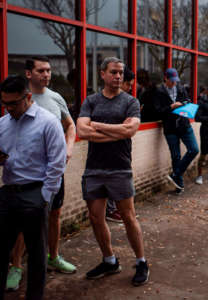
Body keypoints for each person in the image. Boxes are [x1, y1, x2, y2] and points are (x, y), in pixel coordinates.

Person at [6, 56, 77, 293]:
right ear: (29, 74)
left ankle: (53, 256)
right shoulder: (9, 112)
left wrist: (68, 149)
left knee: (52, 216)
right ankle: (16, 266)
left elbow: (70, 126)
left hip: (46, 178)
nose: (46, 74)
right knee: (18, 230)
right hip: (17, 185)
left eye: (48, 70)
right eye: (41, 70)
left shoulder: (54, 101)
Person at [76, 57, 149, 286]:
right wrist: (115, 130)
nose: (118, 76)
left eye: (120, 73)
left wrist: (97, 125)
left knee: (128, 217)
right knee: (96, 218)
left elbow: (130, 131)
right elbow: (81, 130)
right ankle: (109, 261)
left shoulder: (131, 102)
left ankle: (141, 261)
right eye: (114, 72)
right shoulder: (91, 100)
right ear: (102, 74)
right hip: (94, 169)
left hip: (120, 168)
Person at [153, 68, 199, 194]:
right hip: (170, 128)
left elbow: (188, 101)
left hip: (184, 124)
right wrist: (171, 107)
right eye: (172, 81)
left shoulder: (180, 88)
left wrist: (183, 104)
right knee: (176, 156)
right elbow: (157, 111)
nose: (174, 83)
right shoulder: (159, 91)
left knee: (194, 149)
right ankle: (179, 185)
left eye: (176, 81)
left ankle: (175, 174)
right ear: (165, 79)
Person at [104, 66, 136, 224]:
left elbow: (128, 129)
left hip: (122, 149)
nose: (130, 88)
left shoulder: (129, 103)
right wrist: (119, 129)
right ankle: (110, 210)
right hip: (107, 151)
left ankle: (115, 208)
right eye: (128, 84)